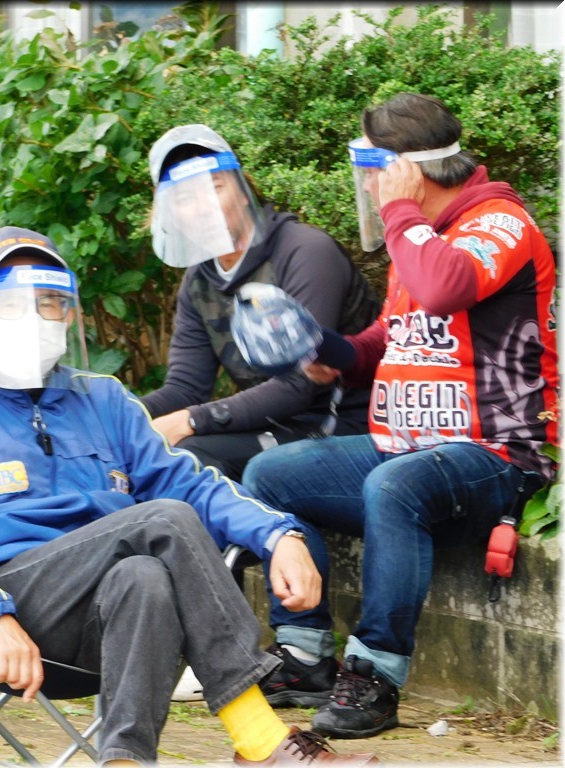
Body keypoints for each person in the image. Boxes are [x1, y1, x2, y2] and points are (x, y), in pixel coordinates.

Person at [0, 225, 378, 764]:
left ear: (69, 314)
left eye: (48, 302)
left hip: (100, 623)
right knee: (163, 521)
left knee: (144, 576)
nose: (33, 318)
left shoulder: (105, 400)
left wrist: (279, 534)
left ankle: (124, 759)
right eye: (10, 305)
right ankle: (260, 739)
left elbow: (189, 483)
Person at [242, 92, 558, 739]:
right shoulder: (419, 237)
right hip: (408, 449)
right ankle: (304, 656)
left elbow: (446, 287)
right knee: (271, 475)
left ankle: (376, 676)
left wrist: (401, 213)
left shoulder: (501, 223)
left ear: (405, 170)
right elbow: (386, 343)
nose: (371, 188)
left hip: (496, 454)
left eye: (375, 173)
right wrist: (321, 349)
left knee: (395, 484)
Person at [141, 124, 379, 481]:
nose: (203, 208)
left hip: (347, 426)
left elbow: (300, 384)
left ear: (242, 190)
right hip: (279, 425)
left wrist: (191, 420)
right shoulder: (198, 281)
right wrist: (120, 415)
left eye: (215, 188)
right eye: (185, 198)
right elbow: (185, 387)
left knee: (192, 453)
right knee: (152, 452)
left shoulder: (304, 250)